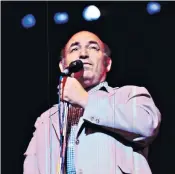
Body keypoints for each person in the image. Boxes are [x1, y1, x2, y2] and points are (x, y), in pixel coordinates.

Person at [23, 31, 161, 174]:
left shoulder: (128, 96)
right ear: (62, 65)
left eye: (93, 48)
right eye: (74, 49)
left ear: (107, 63)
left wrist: (84, 99)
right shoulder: (45, 120)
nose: (83, 54)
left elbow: (147, 126)